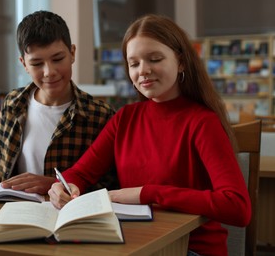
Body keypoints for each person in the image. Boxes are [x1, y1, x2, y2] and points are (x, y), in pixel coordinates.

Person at [48, 14, 250, 256]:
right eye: (133, 64)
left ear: (181, 62)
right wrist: (65, 186)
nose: (143, 71)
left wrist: (147, 193)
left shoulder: (202, 122)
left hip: (189, 248)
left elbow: (238, 207)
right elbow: (81, 172)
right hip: (135, 243)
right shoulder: (125, 118)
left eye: (154, 59)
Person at [0, 10, 117, 195]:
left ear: (72, 53)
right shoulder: (12, 103)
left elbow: (109, 183)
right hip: (12, 210)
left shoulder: (100, 115)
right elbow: (1, 161)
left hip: (65, 216)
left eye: (58, 59)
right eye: (37, 64)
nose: (49, 72)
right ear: (24, 64)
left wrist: (55, 185)